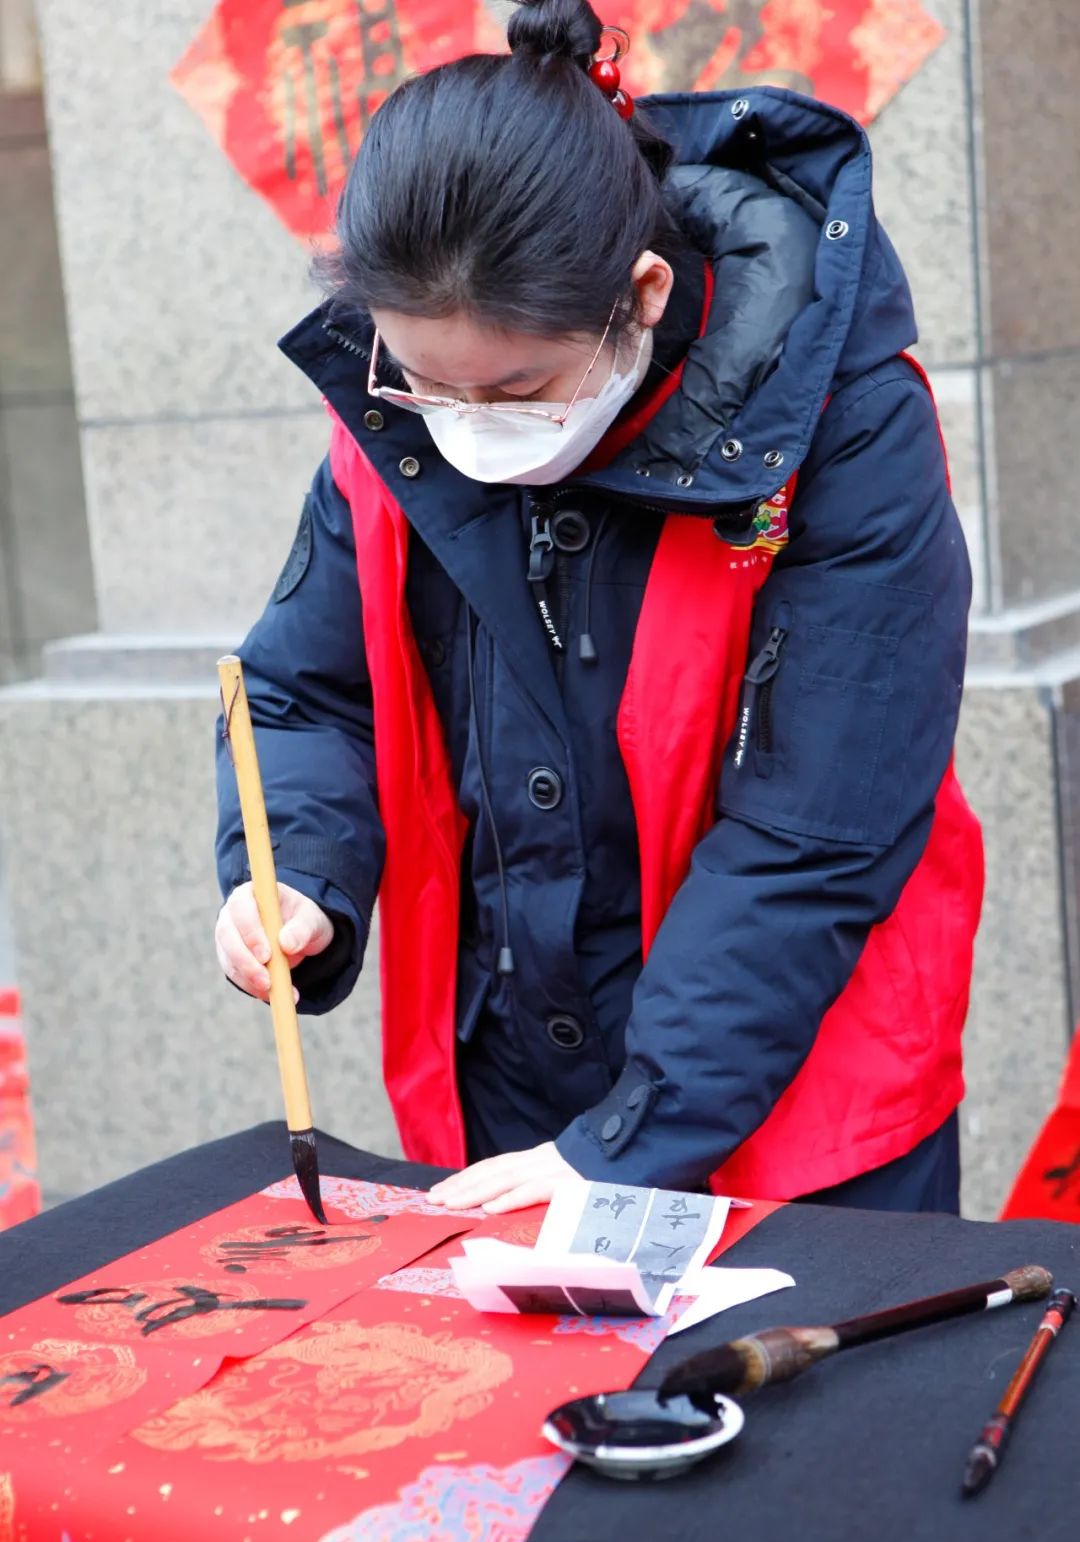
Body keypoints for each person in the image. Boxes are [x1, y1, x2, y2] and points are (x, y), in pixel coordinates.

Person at [214, 0, 983, 1218]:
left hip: (795, 1111)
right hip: (510, 1078)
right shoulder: (395, 422)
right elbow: (306, 690)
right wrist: (298, 869)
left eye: (519, 388)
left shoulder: (843, 421)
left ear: (644, 291)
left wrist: (627, 1138)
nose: (469, 430)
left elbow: (819, 830)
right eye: (427, 384)